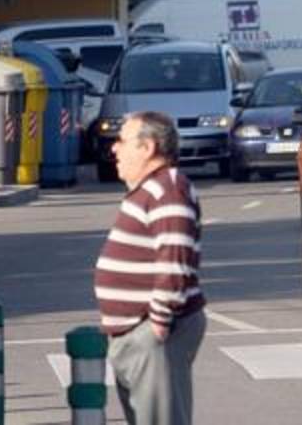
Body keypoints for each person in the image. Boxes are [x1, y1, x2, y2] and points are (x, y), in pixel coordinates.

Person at [97, 111, 206, 425]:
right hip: (138, 330)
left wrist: (158, 323)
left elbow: (174, 256)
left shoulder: (167, 189)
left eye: (122, 141)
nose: (114, 149)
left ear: (148, 148)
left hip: (153, 331)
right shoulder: (151, 190)